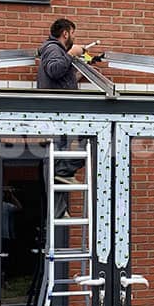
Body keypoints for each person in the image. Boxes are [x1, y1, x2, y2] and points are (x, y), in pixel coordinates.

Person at [37, 18, 88, 218]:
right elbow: (54, 70)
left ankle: (58, 210)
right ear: (65, 33)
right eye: (73, 34)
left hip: (59, 112)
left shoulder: (56, 52)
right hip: (59, 112)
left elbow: (60, 78)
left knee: (55, 164)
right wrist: (72, 53)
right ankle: (67, 169)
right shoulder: (52, 48)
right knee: (91, 136)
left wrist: (79, 72)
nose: (74, 38)